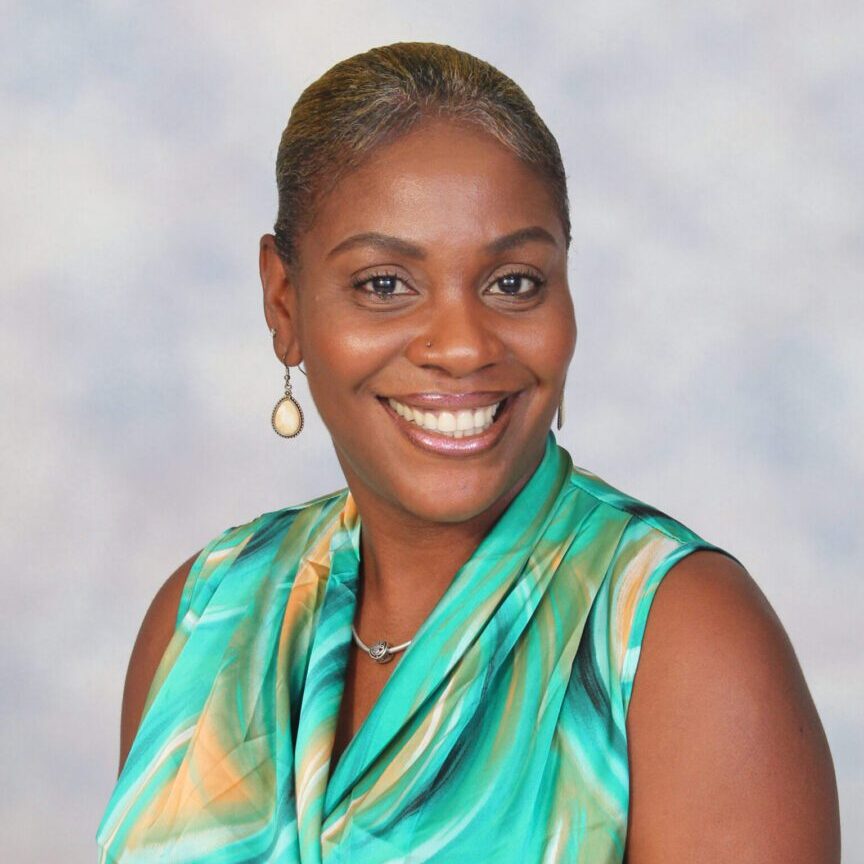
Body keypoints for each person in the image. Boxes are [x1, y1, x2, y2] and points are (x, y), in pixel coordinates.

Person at [96, 42, 840, 863]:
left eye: (513, 281)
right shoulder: (204, 618)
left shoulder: (676, 638)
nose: (461, 346)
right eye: (385, 284)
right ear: (285, 302)